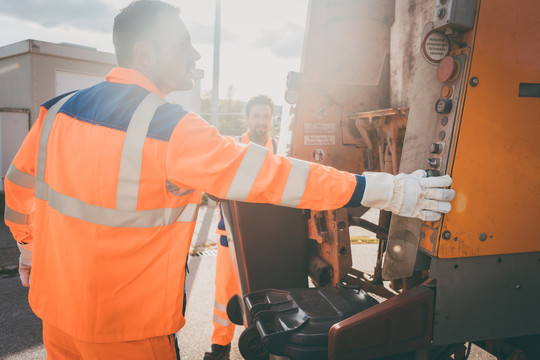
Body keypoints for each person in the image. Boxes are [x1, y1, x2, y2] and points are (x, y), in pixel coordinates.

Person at [3, 0, 455, 359]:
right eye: (183, 44)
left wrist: (27, 247)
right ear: (146, 53)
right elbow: (278, 177)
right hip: (126, 333)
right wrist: (391, 190)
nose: (195, 54)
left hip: (56, 316)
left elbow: (17, 190)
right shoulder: (168, 127)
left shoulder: (56, 110)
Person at [205, 95, 277, 360]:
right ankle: (219, 350)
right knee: (224, 296)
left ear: (272, 119)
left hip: (265, 237)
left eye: (266, 116)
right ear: (247, 119)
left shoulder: (278, 150)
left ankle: (262, 345)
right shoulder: (231, 148)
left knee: (263, 296)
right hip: (231, 236)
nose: (261, 121)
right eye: (256, 116)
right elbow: (212, 184)